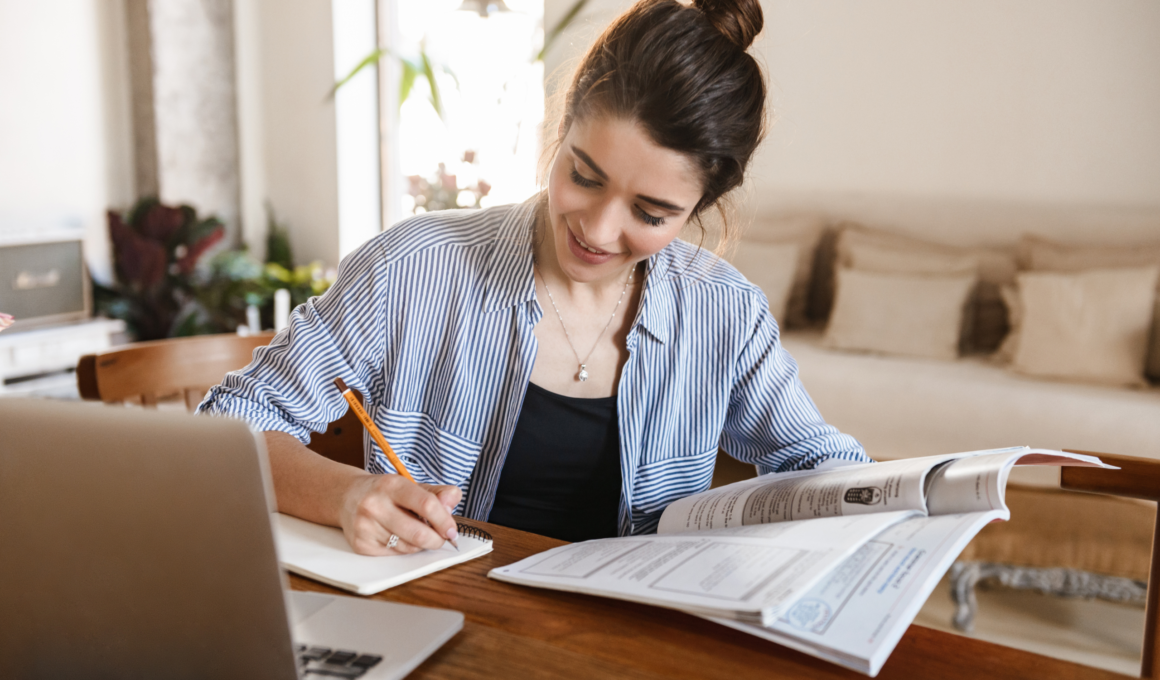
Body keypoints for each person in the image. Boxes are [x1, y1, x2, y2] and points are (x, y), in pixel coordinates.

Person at [199, 0, 869, 555]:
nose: (599, 230)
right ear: (562, 122)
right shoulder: (413, 269)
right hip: (447, 615)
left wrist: (912, 497)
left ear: (701, 207)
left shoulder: (724, 312)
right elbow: (228, 429)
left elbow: (820, 465)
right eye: (584, 175)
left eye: (651, 212)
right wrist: (351, 495)